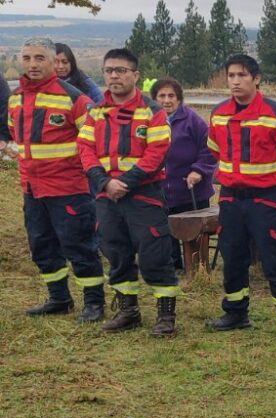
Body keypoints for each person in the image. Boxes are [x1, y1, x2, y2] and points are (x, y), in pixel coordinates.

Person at [78, 48, 178, 336]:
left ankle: (166, 316)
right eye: (109, 70)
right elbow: (85, 149)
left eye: (121, 70)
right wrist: (104, 181)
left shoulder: (153, 112)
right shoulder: (95, 112)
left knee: (154, 254)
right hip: (106, 196)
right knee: (115, 252)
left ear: (135, 75)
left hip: (144, 194)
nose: (113, 76)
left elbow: (157, 153)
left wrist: (126, 182)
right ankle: (128, 311)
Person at [205, 53, 276, 340]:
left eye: (242, 76)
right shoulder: (219, 113)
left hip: (266, 198)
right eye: (231, 76)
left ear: (256, 79)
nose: (235, 81)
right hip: (231, 198)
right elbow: (215, 149)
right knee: (232, 255)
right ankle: (236, 312)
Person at [8, 37, 106, 322]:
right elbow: (16, 137)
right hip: (31, 188)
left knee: (79, 245)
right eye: (26, 58)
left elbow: (92, 143)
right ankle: (59, 298)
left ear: (54, 61)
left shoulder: (75, 98)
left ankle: (94, 303)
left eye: (39, 58)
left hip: (69, 190)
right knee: (42, 245)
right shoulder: (16, 98)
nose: (32, 64)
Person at [151, 79, 217, 271]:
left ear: (179, 99)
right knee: (164, 231)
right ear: (154, 99)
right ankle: (173, 266)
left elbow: (210, 149)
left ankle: (197, 268)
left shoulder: (193, 121)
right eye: (161, 96)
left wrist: (198, 170)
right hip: (160, 189)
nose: (166, 100)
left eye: (171, 96)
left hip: (191, 189)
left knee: (193, 231)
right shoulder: (149, 120)